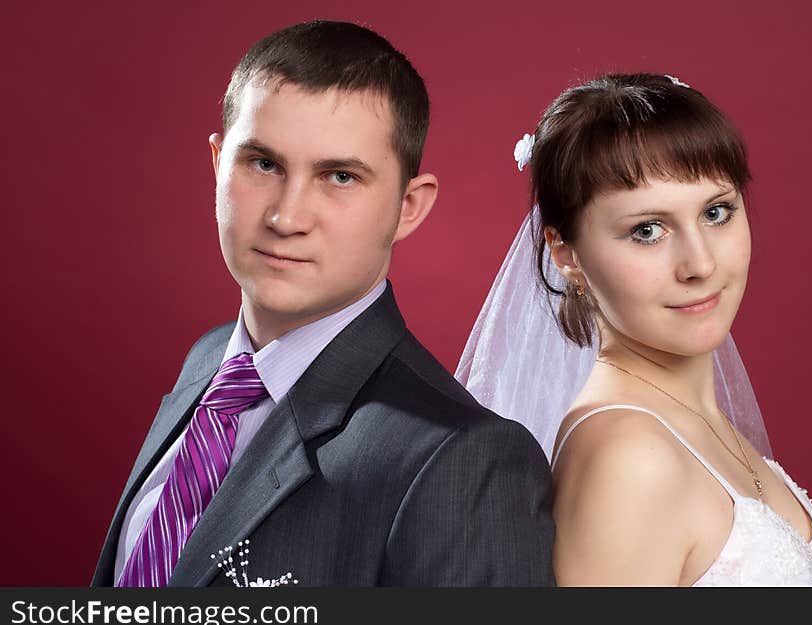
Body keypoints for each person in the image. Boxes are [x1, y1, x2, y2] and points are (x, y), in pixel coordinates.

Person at [91, 20, 555, 587]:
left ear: (409, 207)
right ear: (218, 165)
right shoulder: (209, 363)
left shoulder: (464, 462)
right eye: (263, 164)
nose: (287, 218)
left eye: (339, 176)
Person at [456, 73, 812, 586]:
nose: (699, 264)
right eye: (647, 230)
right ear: (565, 253)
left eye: (717, 212)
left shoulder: (687, 418)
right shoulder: (629, 457)